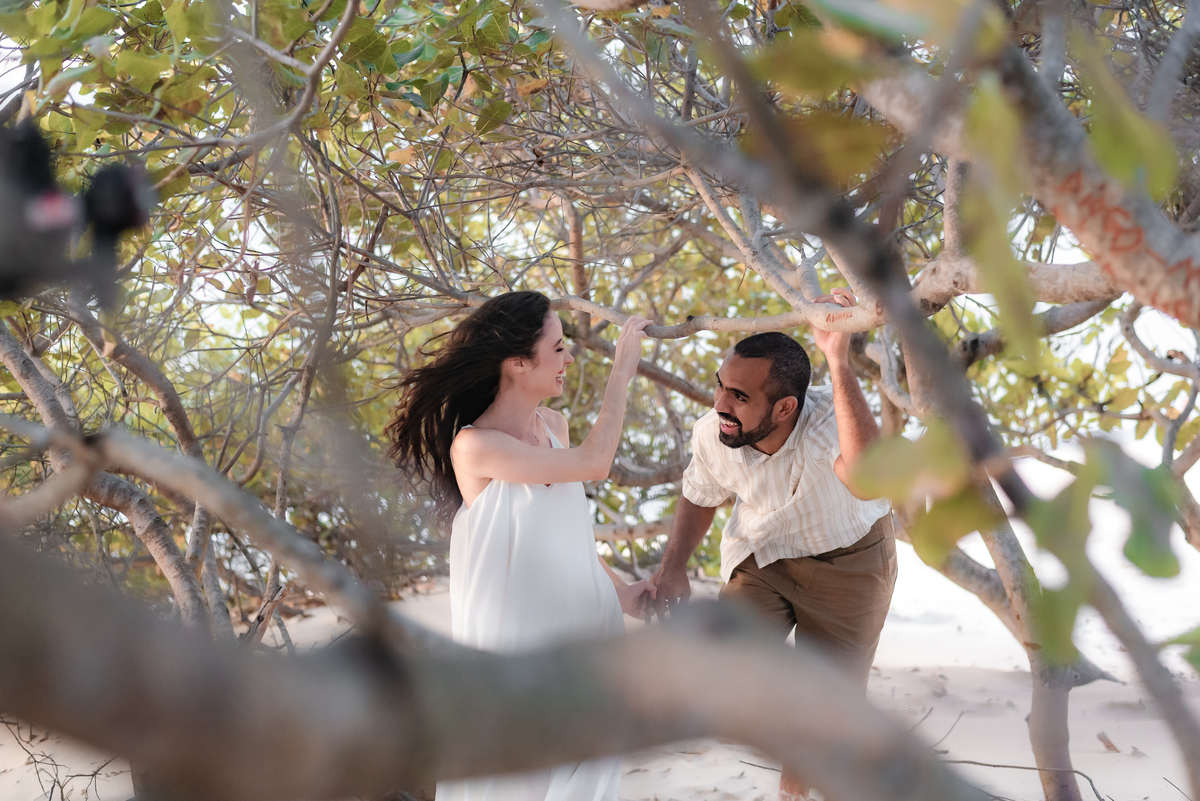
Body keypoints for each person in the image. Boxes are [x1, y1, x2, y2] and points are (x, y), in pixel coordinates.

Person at [386, 290, 656, 801]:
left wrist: (623, 594)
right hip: (517, 644)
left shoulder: (554, 427)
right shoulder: (475, 445)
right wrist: (621, 374)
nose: (568, 359)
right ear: (516, 363)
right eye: (557, 349)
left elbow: (567, 535)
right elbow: (594, 463)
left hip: (584, 628)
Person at [650, 288, 895, 801]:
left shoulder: (828, 424)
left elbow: (871, 478)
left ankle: (793, 789)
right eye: (721, 387)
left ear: (784, 407)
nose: (721, 404)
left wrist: (836, 358)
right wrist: (673, 568)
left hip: (848, 561)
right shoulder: (713, 432)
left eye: (739, 396)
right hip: (764, 553)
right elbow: (701, 493)